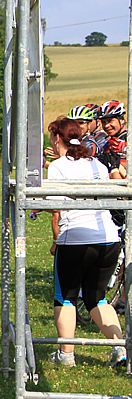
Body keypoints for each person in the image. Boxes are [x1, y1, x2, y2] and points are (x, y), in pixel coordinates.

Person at [45, 117, 127, 368]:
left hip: (76, 239)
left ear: (57, 139)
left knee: (65, 297)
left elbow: (54, 204)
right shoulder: (97, 164)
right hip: (108, 238)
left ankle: (66, 354)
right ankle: (120, 348)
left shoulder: (57, 166)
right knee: (97, 297)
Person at [96, 100, 128, 180]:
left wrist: (114, 168)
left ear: (121, 120)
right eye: (103, 122)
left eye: (110, 121)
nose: (106, 125)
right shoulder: (110, 142)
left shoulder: (128, 139)